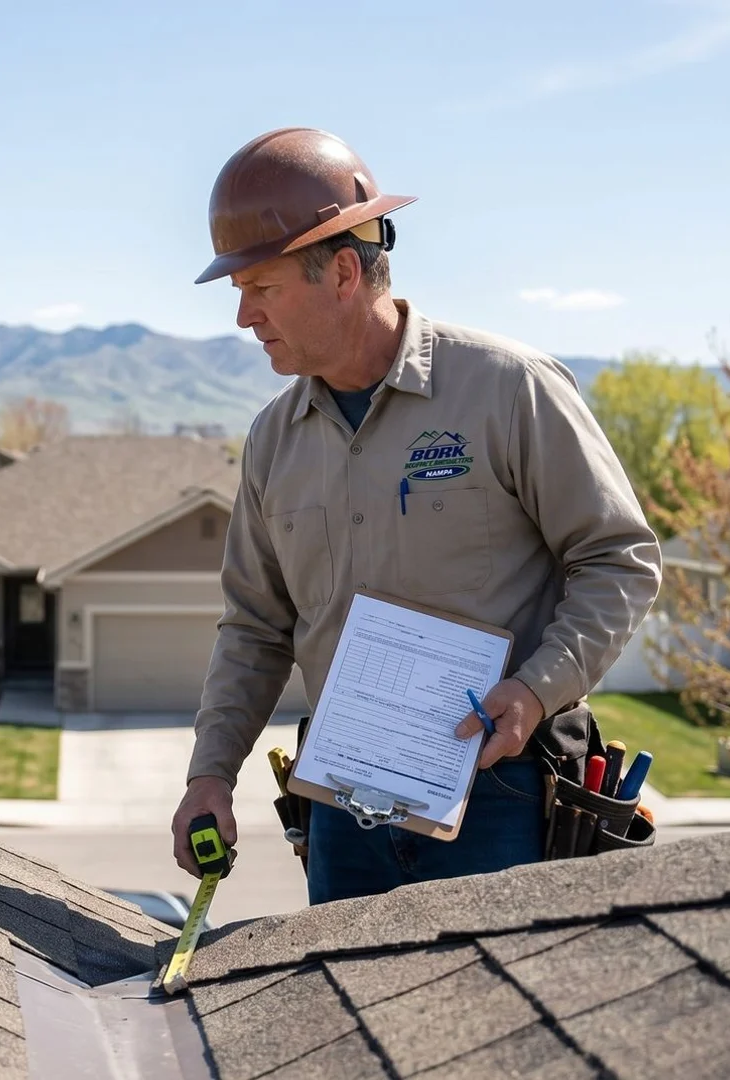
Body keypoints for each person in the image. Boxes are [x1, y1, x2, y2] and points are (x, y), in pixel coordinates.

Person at [170, 128, 662, 904]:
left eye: (259, 289)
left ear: (339, 271)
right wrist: (211, 773)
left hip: (504, 796)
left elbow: (618, 561)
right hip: (339, 807)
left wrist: (536, 690)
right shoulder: (273, 439)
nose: (243, 317)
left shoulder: (508, 390)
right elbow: (256, 627)